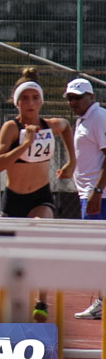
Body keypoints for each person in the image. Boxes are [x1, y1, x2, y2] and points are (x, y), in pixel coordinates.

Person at [0, 67, 75, 323]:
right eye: (24, 98)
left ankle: (41, 301)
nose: (30, 103)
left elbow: (67, 126)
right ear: (16, 102)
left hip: (41, 197)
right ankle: (14, 303)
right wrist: (25, 144)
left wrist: (72, 161)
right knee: (14, 257)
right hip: (14, 198)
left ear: (41, 101)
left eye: (34, 98)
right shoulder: (11, 128)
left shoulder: (51, 125)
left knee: (41, 235)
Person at [64, 78, 106, 319]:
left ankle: (102, 302)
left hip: (98, 196)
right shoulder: (85, 120)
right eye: (70, 97)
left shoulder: (98, 117)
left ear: (90, 96)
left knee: (99, 252)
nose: (73, 102)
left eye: (77, 97)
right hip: (90, 194)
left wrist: (98, 191)